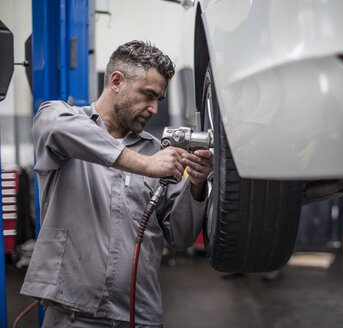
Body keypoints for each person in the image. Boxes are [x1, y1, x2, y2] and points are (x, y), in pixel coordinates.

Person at [20, 40, 213, 327]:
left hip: (139, 315)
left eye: (159, 99)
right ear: (116, 81)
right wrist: (146, 165)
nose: (154, 108)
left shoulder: (157, 151)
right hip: (72, 316)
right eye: (148, 95)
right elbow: (52, 125)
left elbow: (181, 237)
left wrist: (196, 186)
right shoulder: (62, 122)